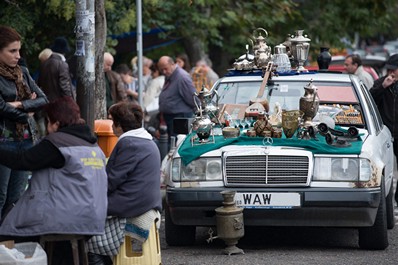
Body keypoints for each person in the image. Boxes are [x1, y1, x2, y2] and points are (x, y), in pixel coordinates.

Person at [0, 96, 108, 263]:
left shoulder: (57, 143)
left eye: (49, 122)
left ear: (57, 123)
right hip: (93, 218)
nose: (48, 129)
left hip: (65, 219)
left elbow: (23, 160)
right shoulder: (92, 146)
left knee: (7, 235)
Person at [87, 101, 162, 264]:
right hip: (145, 200)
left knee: (87, 231)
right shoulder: (147, 141)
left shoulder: (129, 143)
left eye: (113, 121)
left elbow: (112, 180)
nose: (111, 126)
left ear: (119, 125)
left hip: (132, 203)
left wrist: (90, 194)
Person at [0, 25, 48, 220]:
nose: (18, 55)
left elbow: (44, 100)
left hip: (27, 141)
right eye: (12, 51)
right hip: (4, 142)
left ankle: (8, 243)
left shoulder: (23, 73)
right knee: (1, 195)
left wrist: (19, 104)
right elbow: (1, 107)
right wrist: (27, 111)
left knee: (17, 198)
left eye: (19, 50)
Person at [369, 53, 398, 203]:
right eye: (390, 70)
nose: (391, 73)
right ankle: (384, 199)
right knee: (384, 168)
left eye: (394, 70)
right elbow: (370, 99)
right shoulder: (380, 83)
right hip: (385, 133)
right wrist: (383, 86)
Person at [158, 56, 197, 140]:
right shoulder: (171, 74)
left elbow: (193, 98)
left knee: (178, 143)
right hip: (173, 117)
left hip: (180, 117)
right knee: (173, 143)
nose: (164, 72)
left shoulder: (182, 77)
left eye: (165, 69)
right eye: (161, 70)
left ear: (172, 64)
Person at [38, 36, 75, 101]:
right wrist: (70, 102)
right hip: (59, 103)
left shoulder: (45, 63)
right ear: (64, 51)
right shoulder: (62, 64)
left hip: (46, 102)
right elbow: (65, 87)